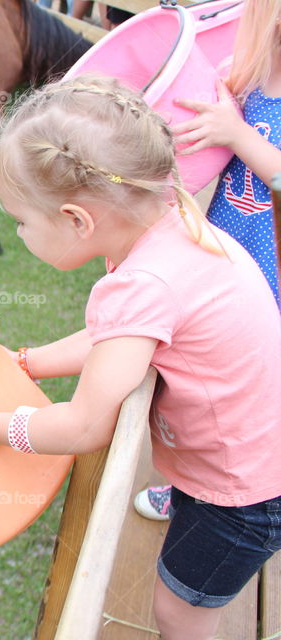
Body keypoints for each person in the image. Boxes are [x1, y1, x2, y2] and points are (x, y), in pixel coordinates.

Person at [0, 74, 281, 640]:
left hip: (246, 492)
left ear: (76, 220)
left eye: (23, 222)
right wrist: (29, 362)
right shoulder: (175, 226)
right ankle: (184, 498)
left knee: (180, 610)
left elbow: (85, 425)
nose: (19, 232)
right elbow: (118, 342)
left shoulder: (141, 285)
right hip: (255, 452)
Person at [133, 0, 281, 522]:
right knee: (196, 390)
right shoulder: (255, 76)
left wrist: (237, 133)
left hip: (272, 278)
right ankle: (189, 486)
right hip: (226, 259)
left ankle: (237, 495)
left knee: (246, 396)